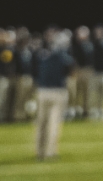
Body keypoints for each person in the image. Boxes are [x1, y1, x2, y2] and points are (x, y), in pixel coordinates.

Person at [33, 27, 76, 160]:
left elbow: (35, 71)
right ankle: (50, 152)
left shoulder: (41, 54)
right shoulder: (62, 56)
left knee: (41, 123)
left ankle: (39, 151)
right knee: (53, 123)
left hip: (42, 91)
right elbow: (71, 69)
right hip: (57, 92)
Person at [68, 25, 94, 119]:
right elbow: (72, 59)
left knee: (87, 92)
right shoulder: (74, 46)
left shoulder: (90, 45)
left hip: (88, 70)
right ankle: (76, 110)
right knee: (77, 92)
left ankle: (86, 110)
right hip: (78, 70)